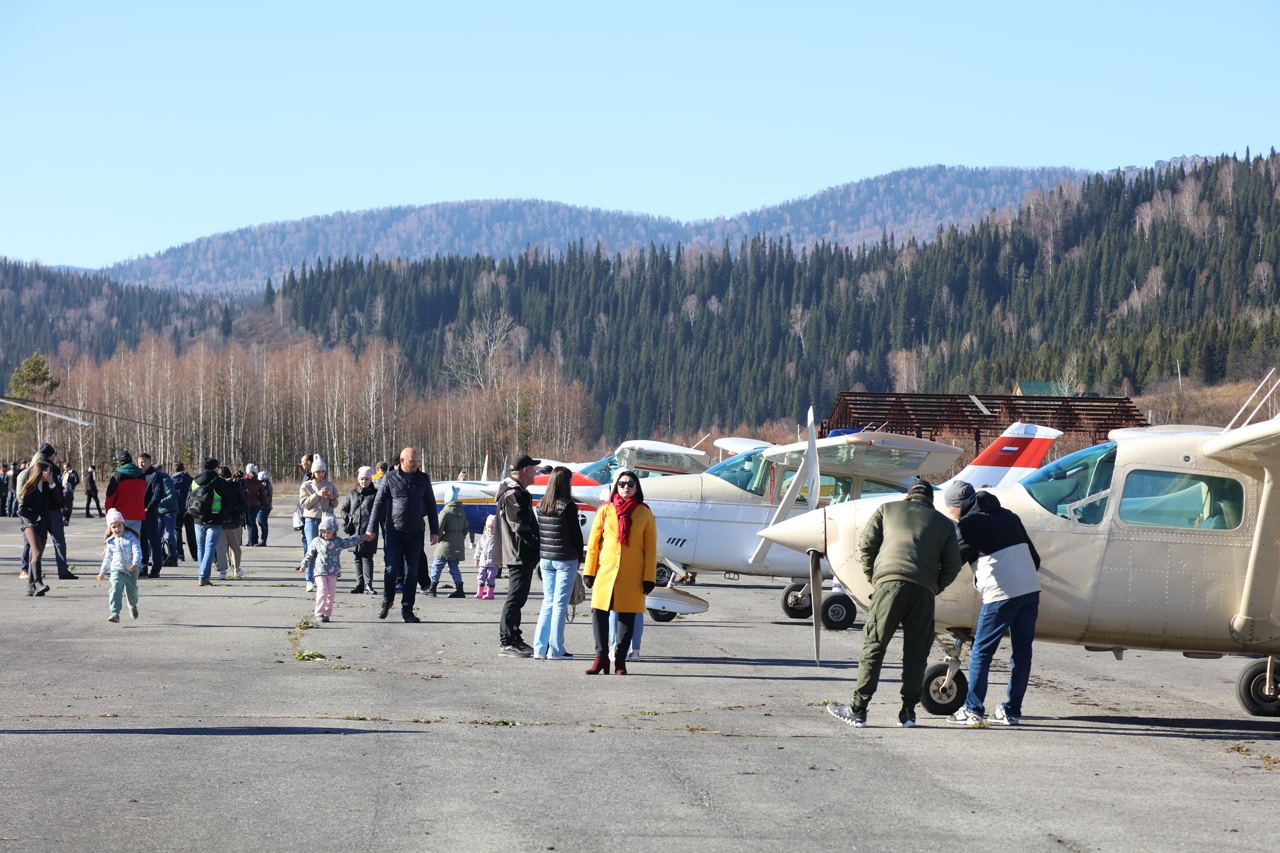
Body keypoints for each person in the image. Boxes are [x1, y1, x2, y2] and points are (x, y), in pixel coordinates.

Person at [827, 480, 961, 728]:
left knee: (874, 647)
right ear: (930, 499)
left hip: (888, 586)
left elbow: (866, 546)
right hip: (923, 593)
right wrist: (933, 586)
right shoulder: (943, 524)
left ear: (909, 497)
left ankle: (859, 709)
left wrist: (875, 578)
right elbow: (953, 565)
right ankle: (908, 712)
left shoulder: (886, 510)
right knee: (916, 654)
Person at [944, 481, 1042, 727]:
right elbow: (1035, 559)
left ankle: (972, 709)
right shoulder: (1009, 516)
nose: (949, 513)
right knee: (1021, 654)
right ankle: (1011, 711)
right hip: (1030, 590)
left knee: (981, 652)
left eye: (950, 508)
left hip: (1001, 594)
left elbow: (952, 559)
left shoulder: (970, 525)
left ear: (958, 507)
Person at [582, 470, 656, 675]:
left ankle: (620, 660)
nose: (626, 487)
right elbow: (594, 542)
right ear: (616, 486)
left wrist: (649, 577)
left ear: (636, 487)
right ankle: (601, 657)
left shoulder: (644, 512)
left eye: (630, 484)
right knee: (599, 614)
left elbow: (650, 548)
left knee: (626, 617)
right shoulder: (605, 510)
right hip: (606, 572)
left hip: (632, 574)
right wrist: (589, 571)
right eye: (622, 484)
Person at [363, 447, 440, 623]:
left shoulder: (423, 479)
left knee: (412, 573)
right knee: (390, 570)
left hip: (416, 533)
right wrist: (371, 528)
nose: (416, 464)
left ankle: (407, 610)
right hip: (394, 532)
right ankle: (387, 599)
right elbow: (378, 503)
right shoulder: (389, 478)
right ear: (402, 461)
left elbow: (431, 503)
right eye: (412, 462)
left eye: (417, 461)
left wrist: (434, 531)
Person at [533, 466, 584, 660]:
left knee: (547, 602)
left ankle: (539, 647)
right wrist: (579, 555)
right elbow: (576, 534)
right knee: (560, 604)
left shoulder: (541, 505)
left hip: (546, 558)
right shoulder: (568, 505)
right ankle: (555, 649)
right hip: (565, 559)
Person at [495, 454, 542, 656]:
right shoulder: (513, 493)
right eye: (533, 468)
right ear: (525, 470)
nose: (536, 472)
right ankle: (507, 641)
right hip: (518, 553)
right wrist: (537, 543)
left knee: (519, 598)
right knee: (515, 598)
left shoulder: (517, 491)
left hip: (521, 553)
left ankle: (515, 636)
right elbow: (519, 526)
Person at [18, 443, 76, 580]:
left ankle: (29, 573)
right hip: (50, 512)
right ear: (50, 455)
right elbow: (56, 492)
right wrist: (61, 505)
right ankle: (61, 571)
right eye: (54, 454)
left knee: (32, 545)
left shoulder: (30, 469)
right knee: (58, 542)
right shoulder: (50, 468)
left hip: (38, 513)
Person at [300, 514, 363, 622]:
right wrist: (303, 565)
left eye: (328, 532)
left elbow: (350, 541)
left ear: (334, 532)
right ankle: (319, 613)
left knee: (331, 593)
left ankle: (327, 613)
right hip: (320, 571)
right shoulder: (316, 541)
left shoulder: (338, 542)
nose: (325, 534)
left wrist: (363, 537)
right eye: (323, 531)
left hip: (333, 572)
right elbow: (309, 555)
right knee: (322, 591)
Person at [18, 460, 58, 596]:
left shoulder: (47, 486)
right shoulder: (29, 487)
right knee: (37, 550)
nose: (49, 473)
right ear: (40, 472)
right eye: (47, 471)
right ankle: (38, 583)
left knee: (38, 554)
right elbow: (21, 510)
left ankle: (31, 588)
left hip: (43, 524)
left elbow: (58, 501)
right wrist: (36, 517)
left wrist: (52, 483)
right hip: (30, 523)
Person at [299, 456, 337, 592]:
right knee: (312, 549)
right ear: (313, 472)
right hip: (311, 520)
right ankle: (309, 579)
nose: (321, 474)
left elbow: (336, 503)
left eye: (323, 471)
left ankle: (323, 577)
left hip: (326, 520)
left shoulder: (330, 484)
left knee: (326, 550)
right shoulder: (306, 485)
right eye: (318, 472)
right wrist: (318, 495)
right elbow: (305, 504)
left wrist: (331, 497)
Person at [188, 458, 229, 586]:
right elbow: (227, 502)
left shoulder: (195, 481)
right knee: (210, 547)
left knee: (201, 548)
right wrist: (225, 516)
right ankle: (203, 577)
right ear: (216, 468)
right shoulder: (220, 481)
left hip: (197, 518)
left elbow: (188, 498)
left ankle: (202, 574)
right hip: (215, 518)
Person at [97, 508, 142, 623]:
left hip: (132, 569)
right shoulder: (110, 542)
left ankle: (132, 605)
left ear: (123, 524)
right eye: (114, 526)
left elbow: (137, 551)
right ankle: (115, 613)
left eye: (119, 525)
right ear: (110, 528)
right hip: (117, 569)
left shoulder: (131, 537)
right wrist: (102, 571)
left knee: (132, 592)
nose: (117, 529)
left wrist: (136, 563)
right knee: (115, 589)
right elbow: (107, 558)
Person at [339, 466, 378, 595]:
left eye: (366, 479)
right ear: (358, 479)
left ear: (370, 479)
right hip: (354, 531)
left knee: (367, 557)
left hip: (369, 531)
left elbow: (380, 512)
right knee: (357, 557)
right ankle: (360, 584)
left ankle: (368, 585)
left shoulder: (375, 494)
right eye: (361, 479)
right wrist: (346, 517)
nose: (363, 481)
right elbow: (344, 509)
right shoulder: (352, 493)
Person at [429, 485, 470, 598]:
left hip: (446, 544)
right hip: (458, 543)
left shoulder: (445, 512)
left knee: (437, 565)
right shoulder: (462, 512)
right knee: (454, 567)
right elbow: (466, 529)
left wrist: (438, 538)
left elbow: (438, 529)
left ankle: (432, 588)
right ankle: (459, 589)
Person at [137, 453, 165, 578]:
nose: (141, 464)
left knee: (153, 540)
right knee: (141, 540)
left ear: (149, 462)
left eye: (143, 462)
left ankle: (156, 568)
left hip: (150, 513)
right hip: (138, 512)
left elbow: (158, 493)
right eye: (139, 462)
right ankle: (143, 567)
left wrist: (149, 507)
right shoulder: (138, 475)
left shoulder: (155, 476)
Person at [217, 466, 247, 579]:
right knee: (235, 547)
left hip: (219, 520)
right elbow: (243, 499)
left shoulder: (217, 486)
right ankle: (236, 569)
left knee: (221, 548)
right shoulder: (236, 485)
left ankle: (222, 571)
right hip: (234, 520)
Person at [171, 462, 197, 561]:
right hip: (189, 509)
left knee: (177, 532)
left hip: (176, 509)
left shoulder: (171, 480)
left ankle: (180, 554)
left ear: (174, 469)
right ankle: (195, 554)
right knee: (191, 532)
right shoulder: (190, 479)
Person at [155, 464, 179, 567]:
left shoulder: (166, 479)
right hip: (159, 512)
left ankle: (173, 558)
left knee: (169, 536)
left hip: (169, 511)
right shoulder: (153, 480)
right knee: (157, 536)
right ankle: (161, 557)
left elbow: (171, 496)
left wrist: (157, 502)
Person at [474, 515, 498, 599]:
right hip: (483, 562)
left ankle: (490, 594)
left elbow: (500, 551)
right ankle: (479, 592)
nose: (490, 530)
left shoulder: (497, 539)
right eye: (488, 527)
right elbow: (478, 549)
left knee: (490, 578)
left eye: (492, 528)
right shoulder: (483, 537)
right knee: (481, 577)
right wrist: (477, 559)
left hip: (493, 563)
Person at [243, 464, 267, 546]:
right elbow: (262, 495)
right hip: (256, 504)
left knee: (250, 523)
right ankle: (254, 540)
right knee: (253, 522)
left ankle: (251, 541)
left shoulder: (244, 481)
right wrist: (260, 501)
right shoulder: (258, 482)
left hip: (247, 504)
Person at [257, 470, 273, 545]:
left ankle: (263, 541)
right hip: (267, 506)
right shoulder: (268, 484)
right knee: (262, 522)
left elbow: (262, 496)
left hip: (264, 506)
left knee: (262, 523)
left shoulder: (264, 485)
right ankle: (263, 540)